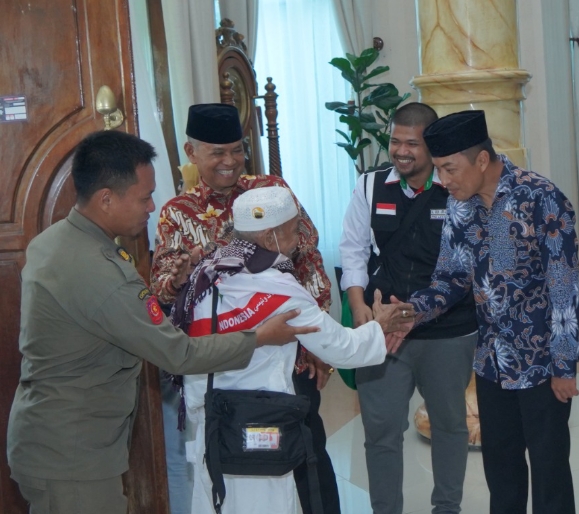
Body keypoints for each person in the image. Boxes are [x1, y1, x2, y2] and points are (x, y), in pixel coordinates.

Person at [6, 130, 315, 514]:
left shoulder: (56, 241)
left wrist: (180, 285)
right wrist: (259, 337)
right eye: (144, 197)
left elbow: (114, 318)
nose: (152, 207)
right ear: (106, 199)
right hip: (72, 457)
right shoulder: (97, 271)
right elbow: (178, 354)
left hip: (50, 437)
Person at [175, 187, 414, 514]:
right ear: (269, 236)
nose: (298, 240)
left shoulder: (209, 271)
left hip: (213, 421)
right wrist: (380, 325)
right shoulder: (278, 287)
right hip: (260, 422)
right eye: (292, 231)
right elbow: (341, 348)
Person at [150, 104, 340, 514]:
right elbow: (162, 290)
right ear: (191, 151)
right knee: (235, 456)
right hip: (221, 363)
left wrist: (318, 343)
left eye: (237, 150)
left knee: (307, 449)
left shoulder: (270, 192)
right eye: (217, 152)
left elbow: (309, 260)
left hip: (286, 352)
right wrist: (178, 280)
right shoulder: (177, 213)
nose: (230, 161)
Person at [405, 110, 579, 514]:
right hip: (491, 363)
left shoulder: (541, 197)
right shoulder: (459, 207)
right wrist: (411, 312)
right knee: (501, 472)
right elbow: (450, 278)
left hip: (541, 363)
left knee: (550, 471)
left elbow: (563, 286)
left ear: (482, 159)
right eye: (438, 169)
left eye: (450, 169)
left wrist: (564, 365)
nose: (443, 180)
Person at [339, 103, 478, 514]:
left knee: (449, 424)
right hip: (382, 327)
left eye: (412, 144)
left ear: (431, 145)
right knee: (380, 430)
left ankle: (447, 507)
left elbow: (467, 264)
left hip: (448, 330)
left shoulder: (455, 187)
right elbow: (352, 251)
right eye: (395, 141)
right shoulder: (370, 186)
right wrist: (360, 310)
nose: (401, 151)